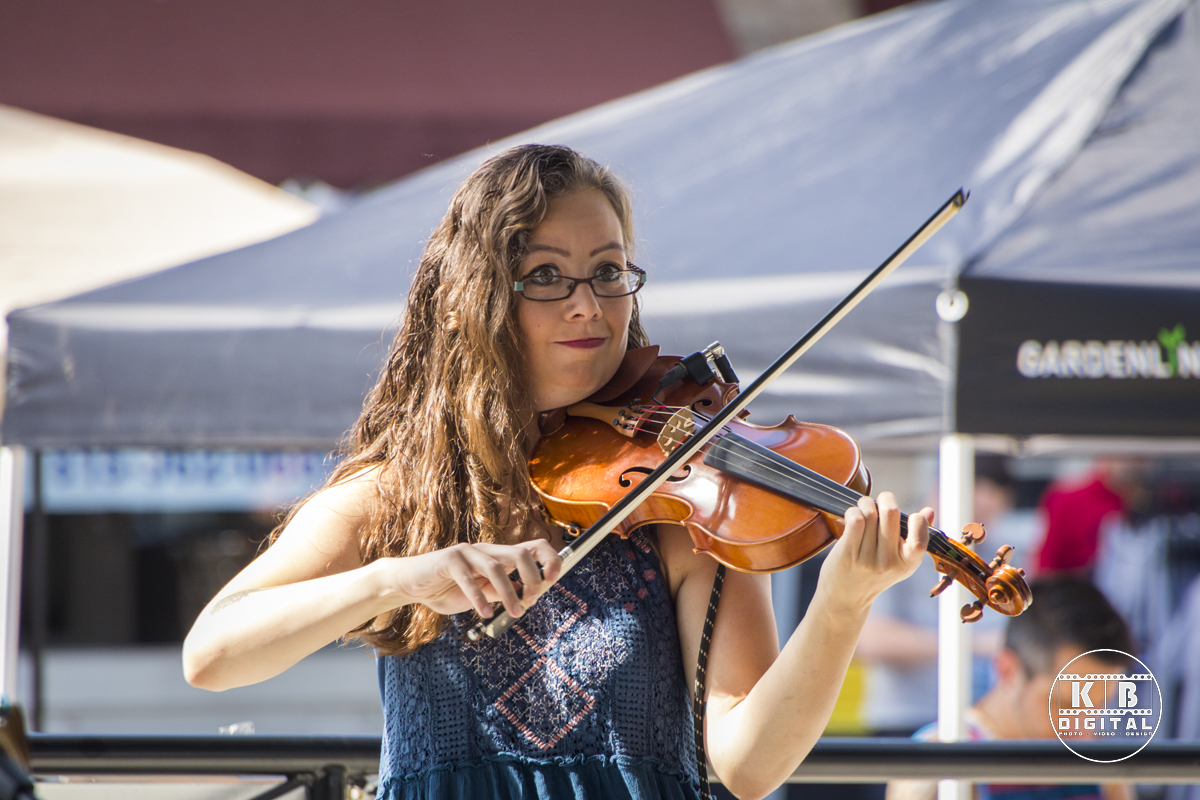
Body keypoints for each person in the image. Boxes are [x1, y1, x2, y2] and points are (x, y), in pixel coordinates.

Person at [182, 145, 933, 800]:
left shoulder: (683, 503)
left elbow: (749, 764)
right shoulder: (394, 498)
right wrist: (394, 580)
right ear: (475, 300)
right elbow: (213, 655)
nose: (589, 306)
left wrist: (841, 608)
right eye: (547, 276)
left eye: (608, 272)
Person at [886, 576, 1136, 800]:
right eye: (1065, 706)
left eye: (1100, 706)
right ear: (1008, 670)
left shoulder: (1099, 762)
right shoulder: (939, 766)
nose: (1084, 730)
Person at [855, 456, 1017, 736]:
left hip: (984, 726)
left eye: (996, 492)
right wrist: (971, 646)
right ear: (940, 489)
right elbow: (871, 640)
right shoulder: (899, 548)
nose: (987, 500)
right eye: (977, 488)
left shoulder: (1005, 558)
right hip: (904, 720)